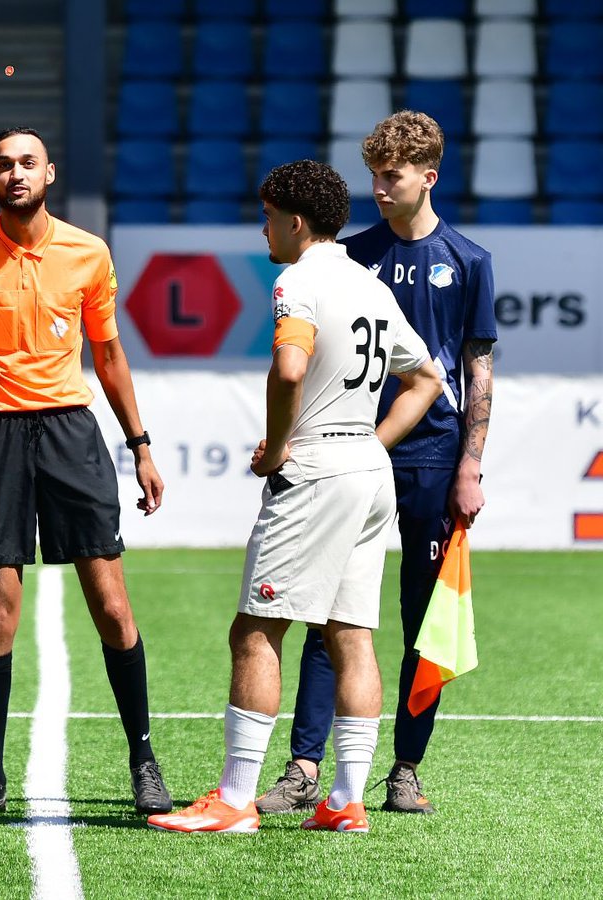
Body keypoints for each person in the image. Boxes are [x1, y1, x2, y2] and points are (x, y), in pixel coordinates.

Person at [148, 160, 442, 835]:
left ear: (296, 222)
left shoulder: (299, 281)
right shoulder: (370, 284)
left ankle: (234, 800)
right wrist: (371, 444)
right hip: (367, 468)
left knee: (257, 628)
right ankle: (345, 801)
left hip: (317, 471)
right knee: (351, 635)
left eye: (269, 217)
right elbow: (427, 377)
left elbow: (288, 370)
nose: (264, 229)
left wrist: (279, 447)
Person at [0, 126, 172, 818]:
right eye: (3, 164)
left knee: (111, 606)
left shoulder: (89, 253)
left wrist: (141, 445)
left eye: (28, 162)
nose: (16, 173)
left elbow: (109, 356)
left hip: (70, 433)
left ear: (49, 173)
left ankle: (144, 760)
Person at [257, 112, 497, 817]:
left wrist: (471, 465)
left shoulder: (470, 260)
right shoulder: (349, 256)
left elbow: (477, 370)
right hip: (348, 449)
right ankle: (305, 766)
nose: (379, 188)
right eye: (373, 175)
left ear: (429, 176)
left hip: (434, 455)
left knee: (423, 617)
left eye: (392, 175)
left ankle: (405, 769)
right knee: (325, 609)